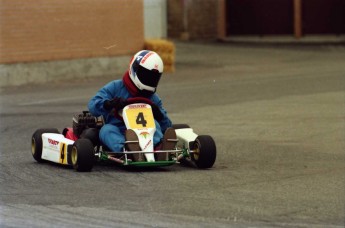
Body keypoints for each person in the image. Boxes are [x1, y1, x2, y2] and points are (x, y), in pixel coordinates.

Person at [88, 50, 176, 160]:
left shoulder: (153, 98)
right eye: (146, 75)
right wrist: (109, 104)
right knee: (106, 130)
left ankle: (159, 149)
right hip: (119, 130)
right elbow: (92, 105)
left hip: (147, 131)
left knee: (155, 124)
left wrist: (159, 114)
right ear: (134, 69)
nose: (150, 80)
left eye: (153, 77)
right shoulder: (115, 87)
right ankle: (127, 150)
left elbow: (167, 127)